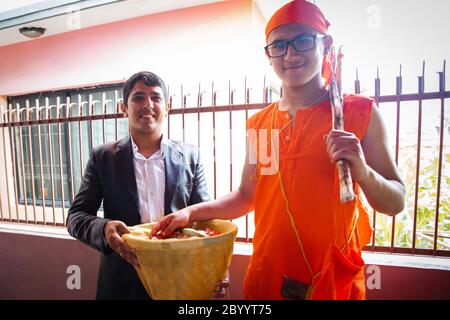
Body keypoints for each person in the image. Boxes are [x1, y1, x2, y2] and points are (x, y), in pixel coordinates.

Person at [151, 0, 405, 300]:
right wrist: (189, 213)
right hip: (268, 277)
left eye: (302, 40)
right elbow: (247, 196)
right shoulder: (261, 125)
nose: (290, 54)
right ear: (268, 54)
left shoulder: (357, 113)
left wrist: (362, 171)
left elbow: (395, 201)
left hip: (331, 280)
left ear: (325, 45)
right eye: (279, 45)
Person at [66, 71, 210, 299]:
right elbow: (75, 217)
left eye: (156, 97)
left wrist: (214, 268)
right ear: (123, 108)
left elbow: (205, 218)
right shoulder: (102, 157)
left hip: (179, 276)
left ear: (168, 105)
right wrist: (104, 229)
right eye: (138, 97)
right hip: (122, 280)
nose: (148, 105)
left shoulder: (190, 155)